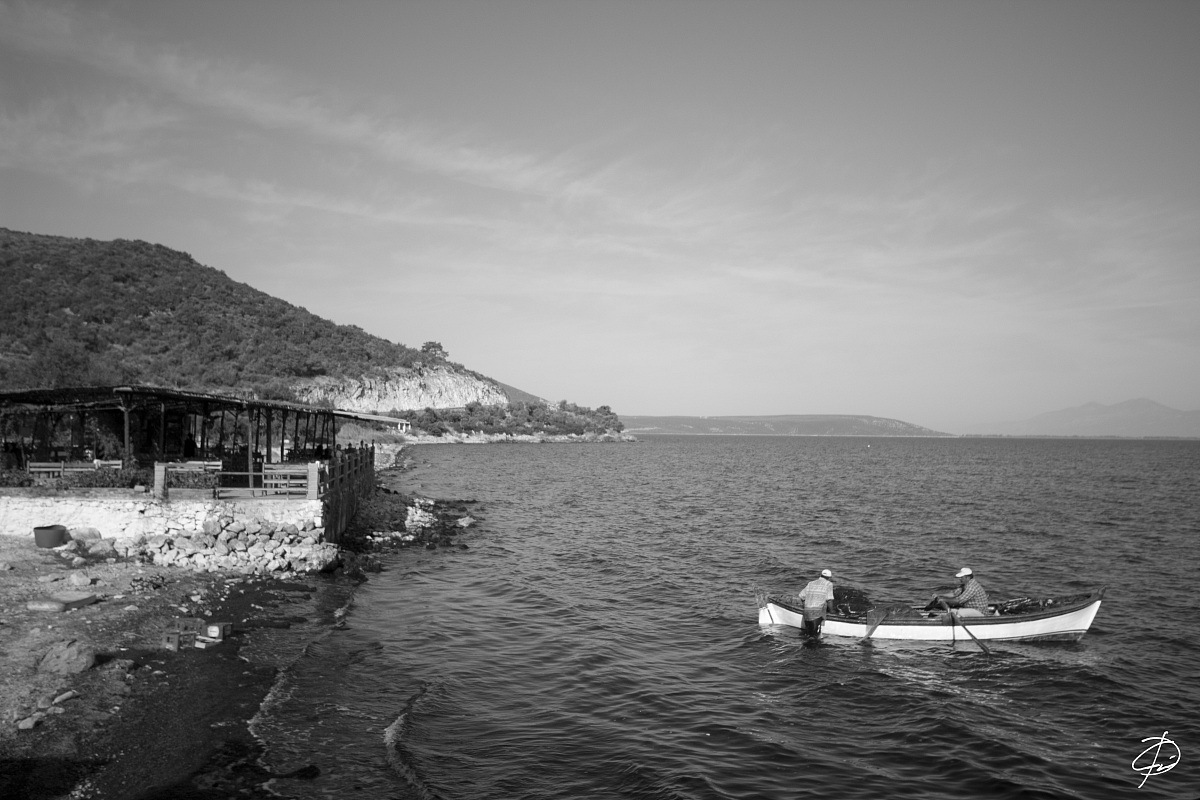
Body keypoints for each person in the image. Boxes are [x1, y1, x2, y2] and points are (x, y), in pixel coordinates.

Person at [798, 569, 836, 637]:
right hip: (817, 613)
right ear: (829, 578)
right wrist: (832, 611)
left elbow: (801, 596)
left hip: (807, 612)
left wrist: (805, 606)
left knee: (808, 635)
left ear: (820, 575)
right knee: (814, 637)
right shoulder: (829, 584)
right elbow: (829, 600)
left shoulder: (811, 583)